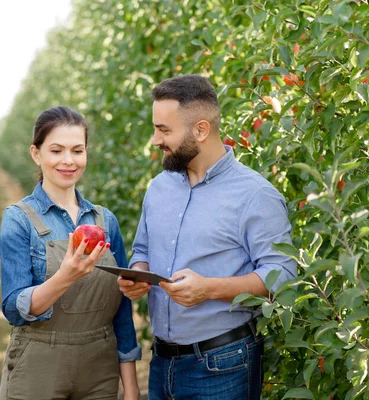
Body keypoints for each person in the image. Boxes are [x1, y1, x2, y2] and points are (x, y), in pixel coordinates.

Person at [118, 75, 298, 399]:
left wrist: (208, 290)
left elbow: (282, 277)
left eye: (164, 130)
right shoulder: (159, 187)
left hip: (223, 364)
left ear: (200, 130)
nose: (155, 140)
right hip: (161, 362)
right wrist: (137, 274)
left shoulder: (255, 195)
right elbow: (143, 247)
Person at [0, 106, 141, 400]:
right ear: (36, 154)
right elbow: (13, 308)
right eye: (56, 150)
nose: (68, 160)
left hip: (100, 369)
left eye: (77, 150)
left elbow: (123, 311)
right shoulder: (19, 219)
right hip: (39, 365)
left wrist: (131, 388)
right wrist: (65, 277)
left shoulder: (104, 221)